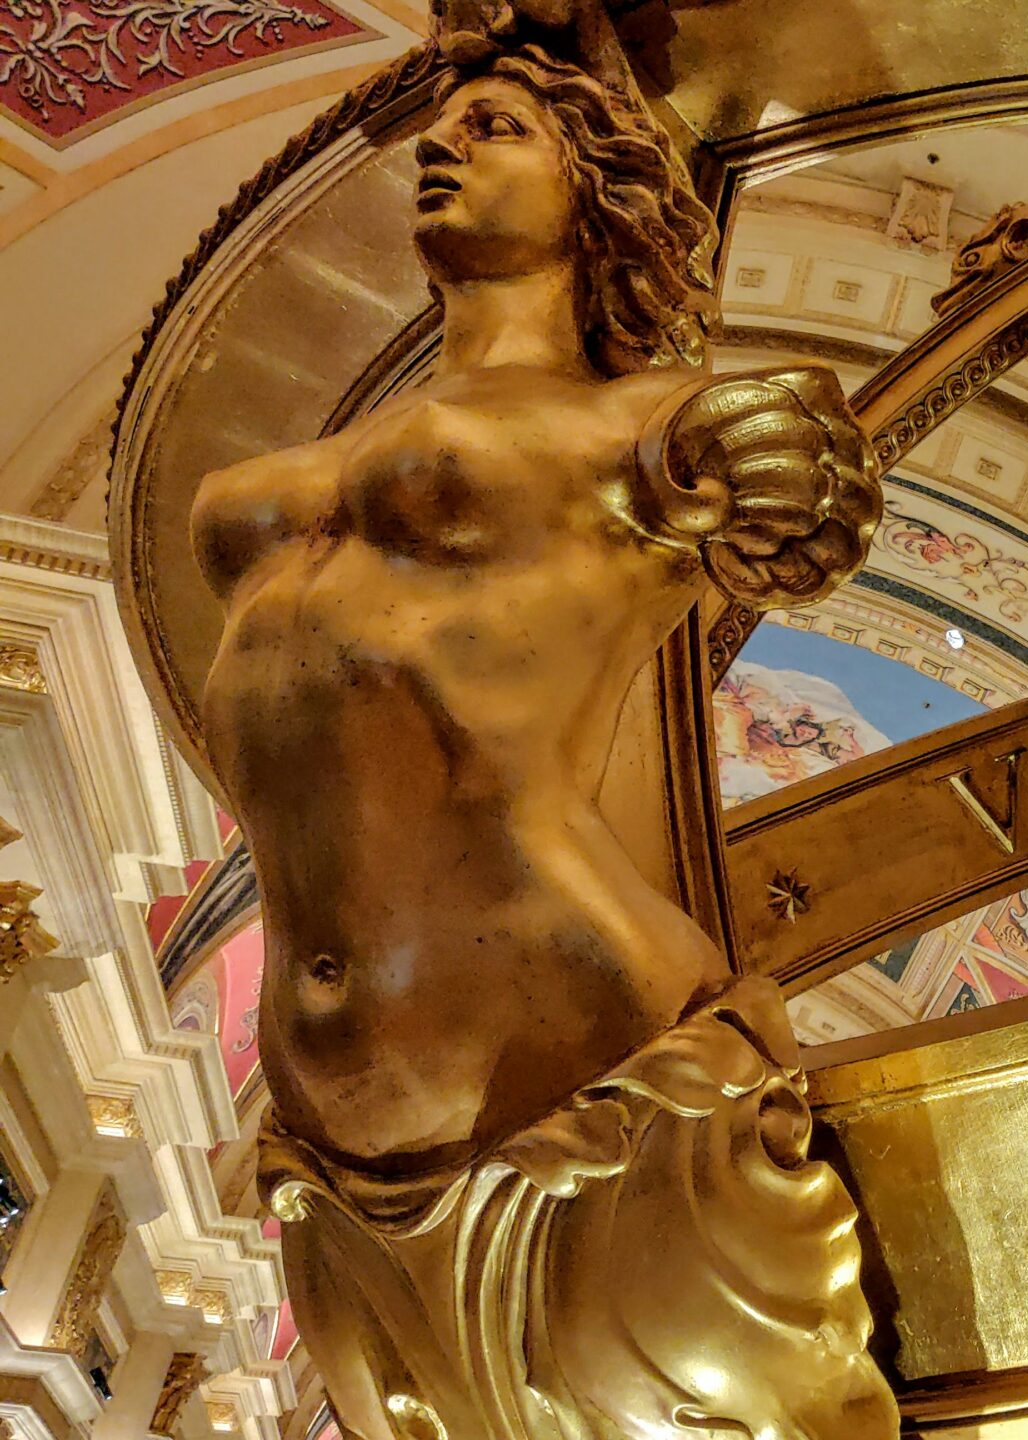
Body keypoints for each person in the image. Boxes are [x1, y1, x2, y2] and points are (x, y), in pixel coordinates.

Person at [194, 9, 894, 1434]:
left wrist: (793, 461)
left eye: (496, 127)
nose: (442, 144)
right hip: (332, 1141)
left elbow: (807, 496)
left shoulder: (658, 426)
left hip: (590, 1062)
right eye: (440, 128)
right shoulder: (284, 477)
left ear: (599, 192)